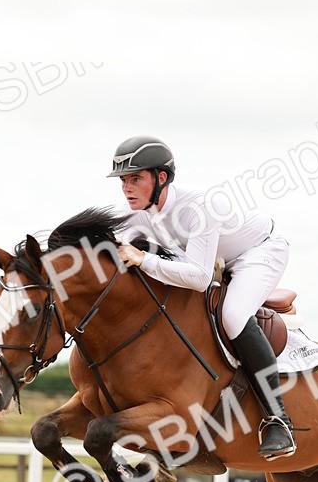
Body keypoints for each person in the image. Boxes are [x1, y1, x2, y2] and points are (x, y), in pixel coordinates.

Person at [107, 135, 296, 460]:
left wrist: (144, 259)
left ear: (161, 178)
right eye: (124, 180)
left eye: (135, 179)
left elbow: (198, 278)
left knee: (233, 316)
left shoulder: (198, 208)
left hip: (258, 252)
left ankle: (278, 419)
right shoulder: (135, 211)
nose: (127, 188)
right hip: (212, 259)